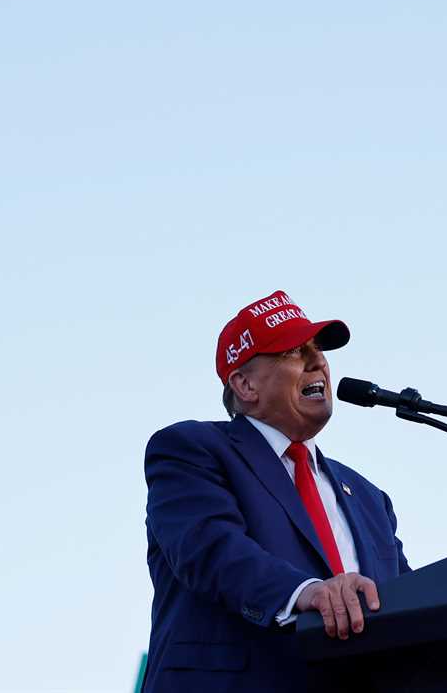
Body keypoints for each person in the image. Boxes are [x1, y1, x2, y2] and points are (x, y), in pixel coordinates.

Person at [142, 290, 410, 693]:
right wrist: (306, 592)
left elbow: (409, 604)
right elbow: (211, 549)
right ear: (245, 384)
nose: (318, 361)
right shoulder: (190, 450)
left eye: (317, 349)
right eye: (293, 352)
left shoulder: (371, 500)